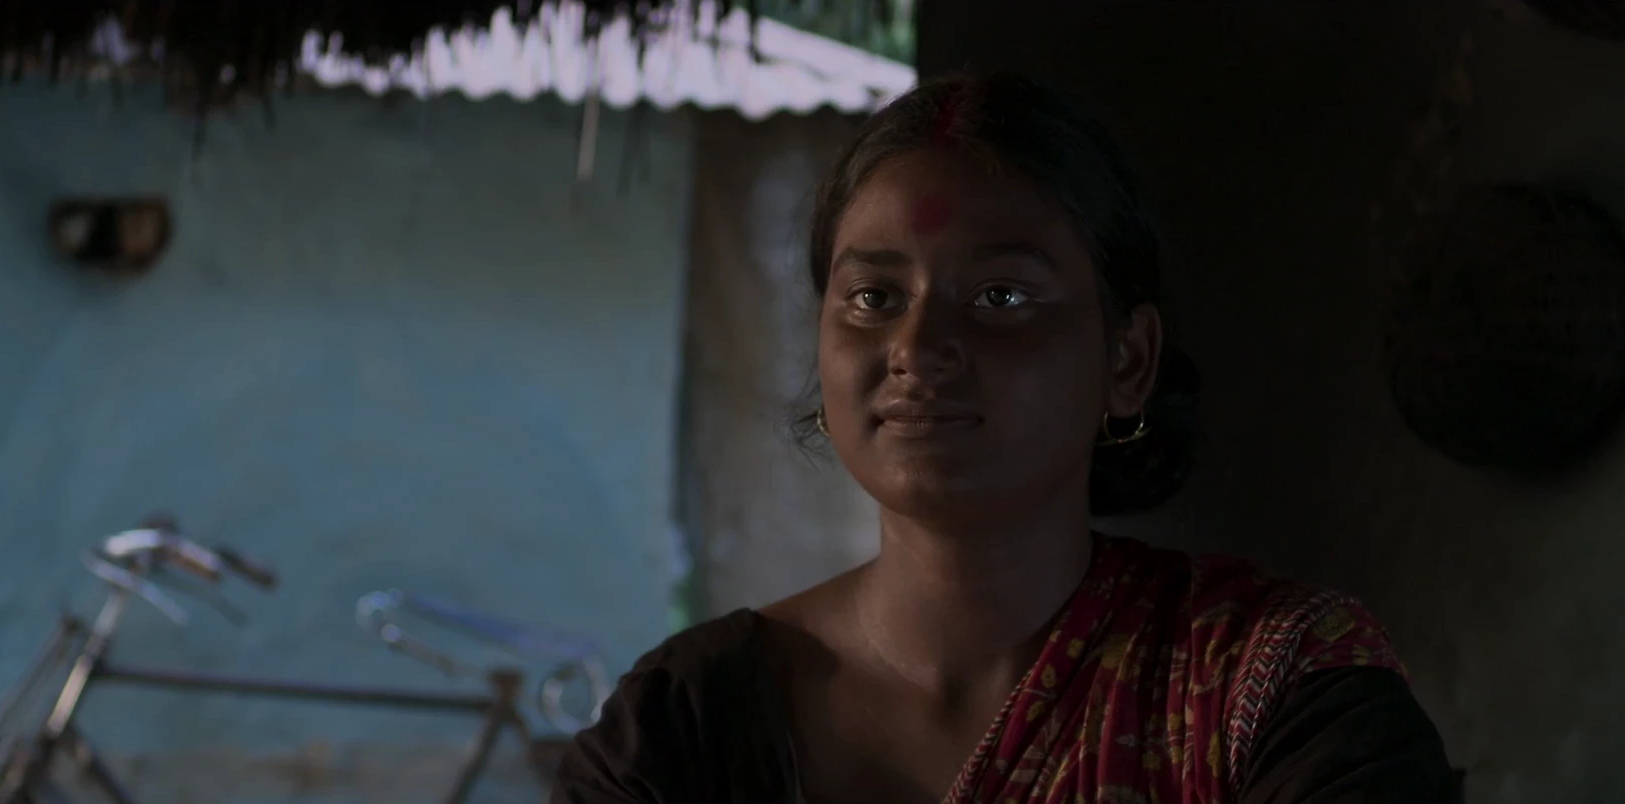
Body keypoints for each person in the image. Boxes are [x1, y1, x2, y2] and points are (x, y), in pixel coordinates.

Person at [549, 73, 1458, 804]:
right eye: (873, 297)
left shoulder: (1277, 695)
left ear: (1128, 360)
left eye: (1001, 297)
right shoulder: (683, 727)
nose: (917, 348)